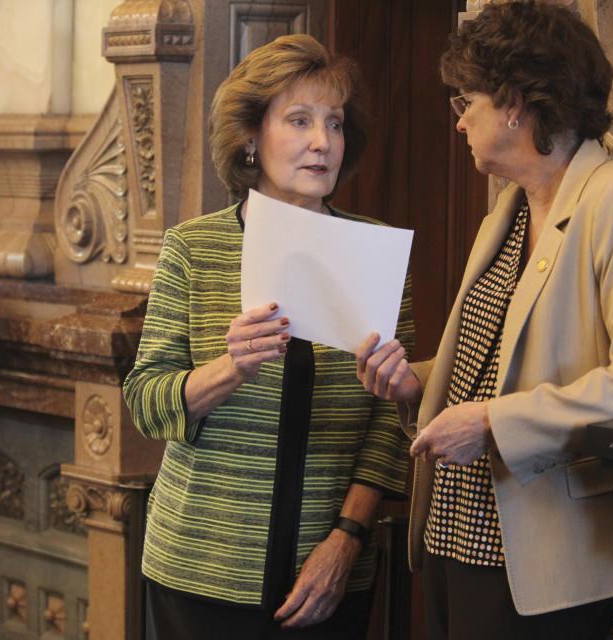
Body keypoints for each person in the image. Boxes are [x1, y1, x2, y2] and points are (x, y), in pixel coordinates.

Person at [354, 2, 613, 639]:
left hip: (555, 558)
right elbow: (492, 369)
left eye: (466, 101)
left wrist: (492, 423)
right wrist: (416, 383)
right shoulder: (506, 211)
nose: (459, 123)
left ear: (514, 102)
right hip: (459, 533)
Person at [123, 34, 414, 640]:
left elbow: (390, 425)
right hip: (198, 569)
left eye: (333, 124)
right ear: (251, 138)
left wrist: (347, 540)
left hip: (330, 574)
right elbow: (147, 404)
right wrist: (229, 369)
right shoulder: (193, 249)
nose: (322, 142)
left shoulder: (375, 254)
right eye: (300, 120)